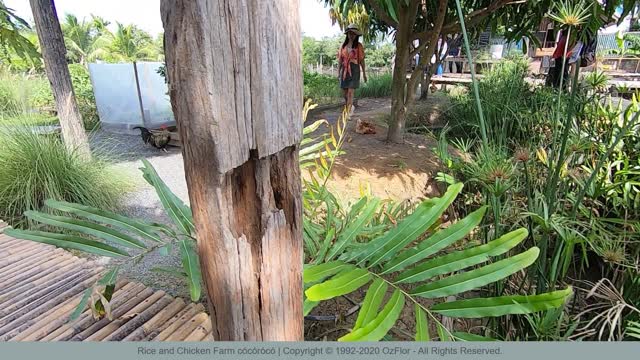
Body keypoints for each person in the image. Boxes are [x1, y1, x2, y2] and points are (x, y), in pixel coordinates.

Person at [338, 24, 367, 116]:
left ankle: (348, 112)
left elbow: (362, 60)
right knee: (345, 93)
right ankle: (350, 107)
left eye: (354, 34)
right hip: (344, 70)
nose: (352, 35)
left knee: (350, 92)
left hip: (354, 70)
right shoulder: (343, 46)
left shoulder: (359, 46)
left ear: (356, 35)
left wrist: (364, 73)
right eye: (350, 33)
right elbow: (340, 60)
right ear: (347, 34)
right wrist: (338, 72)